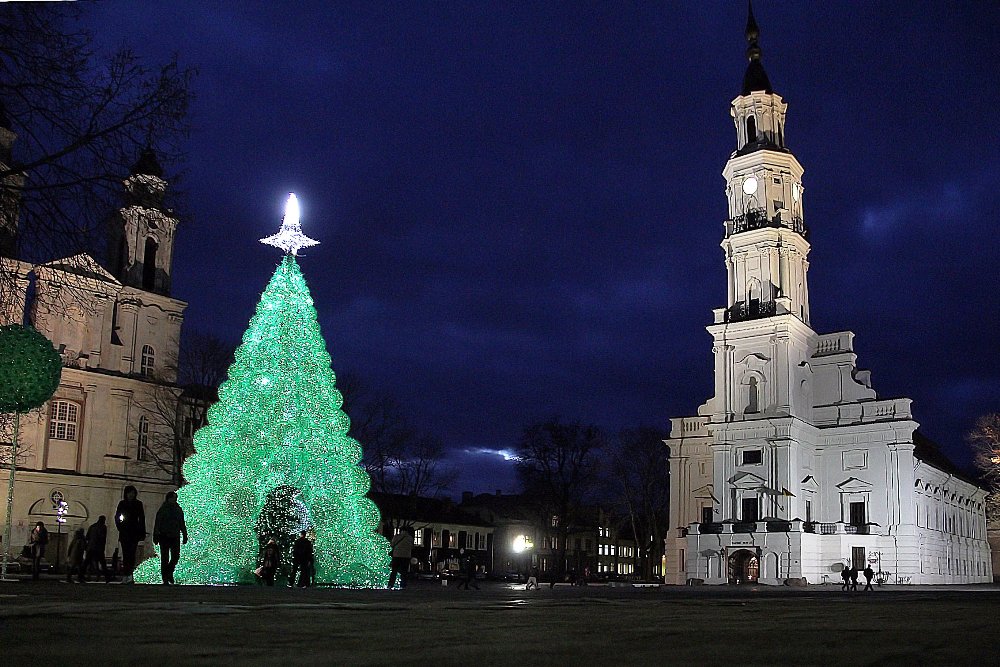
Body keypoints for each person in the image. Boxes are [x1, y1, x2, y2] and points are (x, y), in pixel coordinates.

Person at [152, 491, 188, 585]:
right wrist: (156, 535)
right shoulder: (163, 509)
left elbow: (181, 523)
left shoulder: (178, 509)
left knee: (175, 556)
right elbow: (158, 523)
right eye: (173, 498)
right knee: (165, 558)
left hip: (175, 536)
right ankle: (165, 577)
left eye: (175, 498)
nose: (175, 499)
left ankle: (169, 572)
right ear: (169, 498)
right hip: (164, 536)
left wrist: (184, 534)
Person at [114, 485, 146, 583]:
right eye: (129, 493)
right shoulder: (122, 504)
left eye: (133, 493)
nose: (131, 495)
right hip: (125, 532)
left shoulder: (138, 504)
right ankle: (126, 574)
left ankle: (130, 575)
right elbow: (117, 517)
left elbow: (142, 519)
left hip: (134, 532)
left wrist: (142, 531)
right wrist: (120, 527)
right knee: (126, 554)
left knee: (131, 554)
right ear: (126, 494)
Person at [83, 516, 111, 583]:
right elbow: (103, 538)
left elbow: (87, 537)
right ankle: (107, 578)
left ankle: (81, 575)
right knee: (103, 564)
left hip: (91, 547)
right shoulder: (103, 527)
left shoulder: (92, 526)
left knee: (86, 563)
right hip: (98, 548)